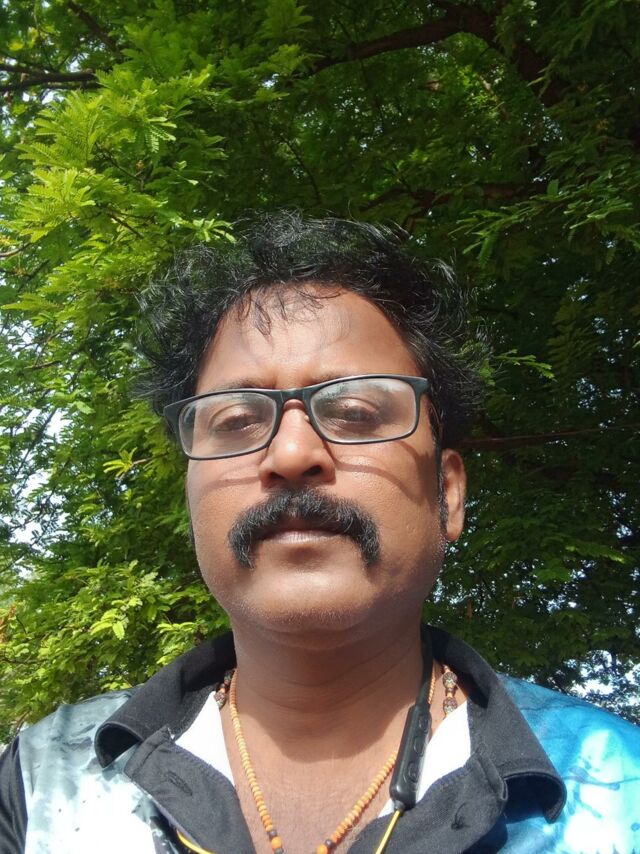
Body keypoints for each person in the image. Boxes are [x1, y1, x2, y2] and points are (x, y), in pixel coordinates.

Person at [1, 212, 638, 854]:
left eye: (356, 412)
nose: (290, 453)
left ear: (447, 495)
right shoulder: (40, 783)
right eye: (237, 421)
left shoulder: (619, 786)